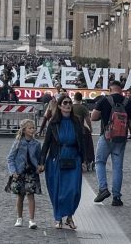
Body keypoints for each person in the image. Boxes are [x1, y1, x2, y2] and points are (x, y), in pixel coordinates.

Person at [40, 97, 87, 230]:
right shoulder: (53, 123)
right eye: (65, 103)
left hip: (74, 158)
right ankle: (58, 217)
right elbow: (46, 143)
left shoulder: (76, 121)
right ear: (60, 106)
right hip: (57, 159)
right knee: (58, 190)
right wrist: (41, 162)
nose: (68, 105)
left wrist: (84, 160)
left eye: (70, 103)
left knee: (73, 190)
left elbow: (82, 142)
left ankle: (70, 217)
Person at [90, 79, 131, 206]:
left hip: (106, 136)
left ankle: (103, 189)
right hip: (121, 138)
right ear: (121, 89)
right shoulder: (128, 102)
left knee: (100, 162)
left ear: (110, 89)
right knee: (117, 167)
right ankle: (116, 197)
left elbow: (93, 117)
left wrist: (104, 115)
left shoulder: (104, 100)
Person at [6, 119, 41, 229]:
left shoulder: (37, 144)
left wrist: (39, 167)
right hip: (19, 173)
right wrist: (13, 172)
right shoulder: (18, 143)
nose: (32, 130)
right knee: (20, 196)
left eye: (33, 128)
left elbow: (39, 159)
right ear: (24, 130)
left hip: (31, 173)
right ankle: (19, 218)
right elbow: (10, 158)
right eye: (30, 128)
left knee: (31, 195)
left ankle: (31, 220)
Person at [72, 92, 95, 171]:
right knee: (88, 141)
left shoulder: (70, 107)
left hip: (71, 129)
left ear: (74, 98)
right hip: (81, 130)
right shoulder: (83, 108)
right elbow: (87, 119)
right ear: (81, 99)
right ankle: (88, 158)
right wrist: (90, 128)